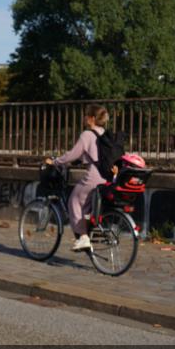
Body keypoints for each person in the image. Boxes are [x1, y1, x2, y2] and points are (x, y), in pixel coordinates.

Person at [46, 104, 110, 252]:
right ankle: (89, 231)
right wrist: (80, 160)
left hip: (94, 176)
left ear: (92, 118)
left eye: (87, 115)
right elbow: (93, 155)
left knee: (74, 200)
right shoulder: (105, 134)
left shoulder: (87, 134)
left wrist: (56, 161)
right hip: (108, 177)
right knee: (86, 204)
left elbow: (72, 154)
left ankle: (83, 237)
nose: (85, 117)